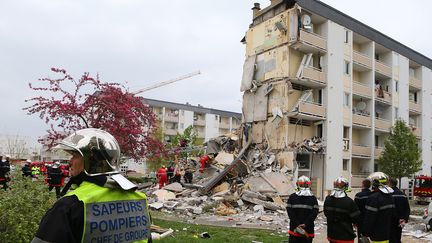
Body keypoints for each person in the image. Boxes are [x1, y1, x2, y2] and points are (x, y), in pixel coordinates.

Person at [32, 128, 152, 243]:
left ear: (90, 161)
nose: (69, 161)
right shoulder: (140, 201)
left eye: (75, 156)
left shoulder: (69, 206)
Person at [324, 177, 360, 243]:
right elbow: (357, 218)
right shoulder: (349, 202)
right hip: (346, 236)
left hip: (332, 235)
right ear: (346, 187)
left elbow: (326, 214)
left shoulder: (327, 199)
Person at [362, 172, 395, 243]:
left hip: (375, 235)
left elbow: (369, 218)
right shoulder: (390, 197)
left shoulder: (373, 198)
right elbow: (392, 215)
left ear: (374, 184)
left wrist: (365, 233)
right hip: (386, 233)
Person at [286, 176, 319, 243]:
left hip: (294, 229)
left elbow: (290, 213)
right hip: (308, 230)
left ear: (297, 184)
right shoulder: (313, 198)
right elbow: (314, 213)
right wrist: (305, 224)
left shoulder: (292, 197)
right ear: (309, 185)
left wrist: (297, 224)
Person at [388, 178, 410, 243]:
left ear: (390, 183)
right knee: (398, 235)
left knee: (391, 236)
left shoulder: (388, 194)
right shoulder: (403, 195)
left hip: (390, 219)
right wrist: (405, 218)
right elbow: (407, 208)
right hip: (400, 220)